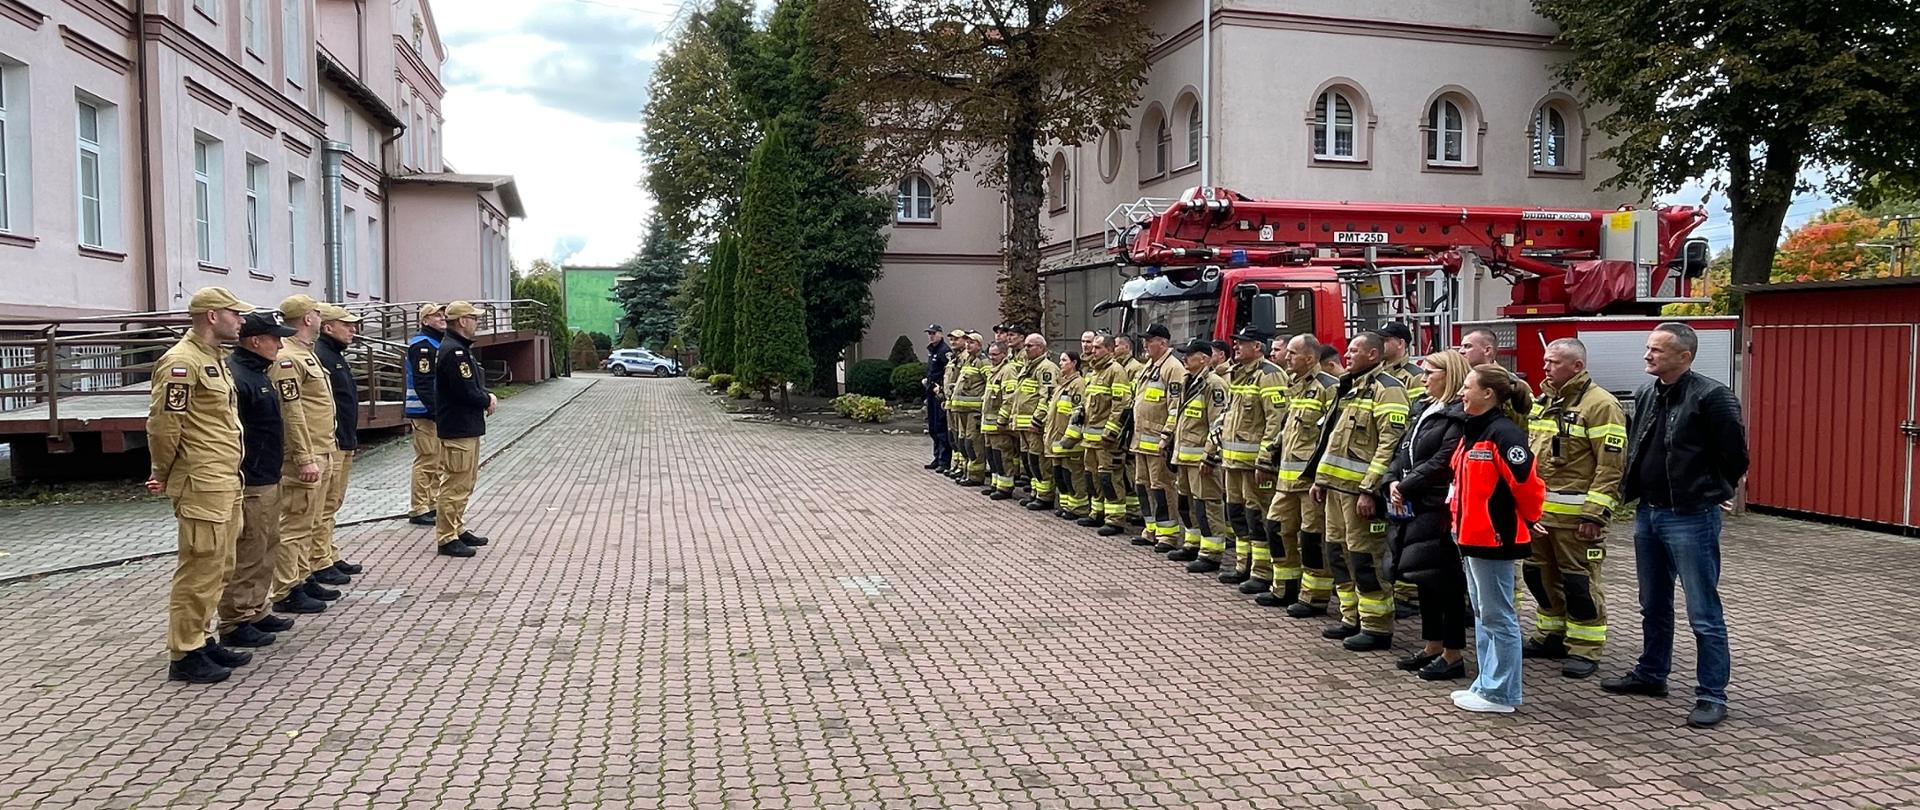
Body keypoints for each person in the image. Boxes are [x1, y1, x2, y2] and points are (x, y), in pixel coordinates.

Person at [1603, 322, 1748, 730]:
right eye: (1648, 348)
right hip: (1649, 512)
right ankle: (1652, 673)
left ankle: (1711, 694)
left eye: (1658, 351)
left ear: (1684, 357)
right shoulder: (1649, 392)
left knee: (1702, 610)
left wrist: (1715, 489)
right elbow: (1641, 445)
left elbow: (1735, 455)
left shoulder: (1712, 396)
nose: (1648, 356)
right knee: (1652, 601)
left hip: (1690, 516)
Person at [147, 287, 255, 683]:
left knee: (221, 566)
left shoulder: (213, 359)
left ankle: (202, 638)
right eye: (234, 313)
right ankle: (184, 652)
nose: (240, 321)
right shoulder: (180, 362)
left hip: (225, 478)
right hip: (201, 481)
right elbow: (164, 425)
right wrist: (162, 471)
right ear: (212, 316)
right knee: (199, 567)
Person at [1522, 338, 1628, 679]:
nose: (1545, 368)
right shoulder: (1543, 401)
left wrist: (1595, 515)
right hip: (1540, 517)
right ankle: (1551, 634)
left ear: (1576, 367)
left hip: (1577, 521)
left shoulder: (1601, 405)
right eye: (1546, 361)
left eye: (1553, 362)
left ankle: (1585, 647)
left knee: (1579, 583)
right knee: (1538, 577)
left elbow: (1610, 467)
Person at [1449, 363, 1546, 713]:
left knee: (1498, 616)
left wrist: (1532, 518)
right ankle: (1486, 684)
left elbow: (1528, 484)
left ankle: (1501, 693)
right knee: (1483, 613)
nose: (1461, 392)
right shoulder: (1474, 431)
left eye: (1467, 386)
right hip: (1471, 537)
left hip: (1494, 538)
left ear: (1487, 394)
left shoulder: (1504, 434)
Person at [1310, 332, 1410, 651]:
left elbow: (1389, 444)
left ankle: (1377, 627)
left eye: (1354, 351)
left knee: (1365, 557)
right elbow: (1331, 439)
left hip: (1360, 493)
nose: (1347, 356)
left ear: (1373, 354)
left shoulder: (1387, 389)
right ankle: (1351, 617)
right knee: (1339, 553)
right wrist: (1320, 478)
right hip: (1336, 488)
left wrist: (1370, 489)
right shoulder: (1350, 386)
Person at [1382, 350, 1470, 680]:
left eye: (1430, 372)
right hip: (1414, 504)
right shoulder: (1423, 407)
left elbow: (1443, 460)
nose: (1423, 378)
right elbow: (1402, 448)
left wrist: (1406, 485)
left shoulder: (1457, 414)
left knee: (1445, 583)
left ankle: (1453, 654)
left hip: (1437, 507)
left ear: (1449, 375)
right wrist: (1392, 479)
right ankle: (1432, 646)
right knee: (1424, 581)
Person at [215, 312, 299, 652]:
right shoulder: (239, 376)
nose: (280, 344)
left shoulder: (258, 373)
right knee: (249, 549)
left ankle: (257, 608)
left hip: (269, 473)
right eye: (274, 338)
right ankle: (236, 619)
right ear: (254, 341)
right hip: (251, 478)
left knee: (267, 546)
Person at [267, 295, 337, 615]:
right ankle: (285, 588)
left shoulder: (306, 353)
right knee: (294, 524)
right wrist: (303, 456)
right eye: (318, 313)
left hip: (323, 447)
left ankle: (303, 576)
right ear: (307, 318)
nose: (321, 317)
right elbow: (291, 412)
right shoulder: (288, 358)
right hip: (304, 454)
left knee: (309, 521)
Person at [1260, 334, 1338, 614]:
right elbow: (1289, 428)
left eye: (1293, 353)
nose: (1287, 357)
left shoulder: (1329, 388)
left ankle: (1314, 597)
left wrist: (1322, 477)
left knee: (1312, 538)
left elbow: (1332, 437)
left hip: (1309, 482)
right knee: (1277, 527)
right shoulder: (1295, 386)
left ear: (1310, 357)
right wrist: (1271, 451)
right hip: (1286, 479)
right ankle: (1284, 587)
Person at [1218, 328, 1286, 590]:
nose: (1235, 346)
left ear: (1257, 346)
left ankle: (1261, 572)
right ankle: (1242, 565)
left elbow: (1275, 421)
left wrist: (1265, 459)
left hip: (1254, 465)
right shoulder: (1239, 374)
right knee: (1237, 515)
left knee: (1256, 516)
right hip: (1233, 462)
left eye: (1241, 343)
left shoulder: (1269, 375)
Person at [434, 301, 499, 558]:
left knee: (465, 481)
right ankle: (447, 536)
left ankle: (457, 527)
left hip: (466, 426)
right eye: (473, 317)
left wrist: (484, 395)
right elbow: (465, 390)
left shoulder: (460, 348)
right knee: (455, 483)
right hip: (457, 427)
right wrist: (487, 399)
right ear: (461, 321)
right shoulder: (454, 352)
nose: (477, 322)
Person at [310, 303, 364, 586]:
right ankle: (318, 561)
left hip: (343, 438)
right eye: (347, 324)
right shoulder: (322, 356)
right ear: (328, 327)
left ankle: (328, 554)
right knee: (324, 505)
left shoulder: (335, 356)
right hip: (332, 441)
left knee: (333, 503)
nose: (352, 329)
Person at [1167, 339, 1229, 573]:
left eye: (1189, 355)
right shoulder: (1187, 381)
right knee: (1186, 503)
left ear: (1203, 358)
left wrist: (1210, 455)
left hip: (1201, 459)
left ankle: (1211, 553)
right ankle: (1192, 543)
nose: (1185, 358)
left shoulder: (1214, 384)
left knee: (1207, 505)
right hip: (1184, 455)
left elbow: (1218, 423)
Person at [1129, 325, 1187, 552]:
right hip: (1141, 441)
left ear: (1163, 343)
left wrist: (1166, 436)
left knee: (1161, 487)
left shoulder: (1173, 368)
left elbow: (1174, 407)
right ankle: (1151, 529)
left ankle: (1168, 535)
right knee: (1143, 486)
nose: (1145, 344)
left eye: (1150, 340)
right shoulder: (1149, 367)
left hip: (1157, 442)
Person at [1077, 333, 1129, 531]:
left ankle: (1115, 519)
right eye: (1094, 347)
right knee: (1093, 477)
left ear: (1109, 349)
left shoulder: (1115, 371)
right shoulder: (1094, 372)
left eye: (1098, 348)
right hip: (1090, 438)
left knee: (1109, 478)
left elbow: (1120, 405)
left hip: (1106, 440)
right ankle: (1096, 512)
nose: (1093, 350)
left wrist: (1111, 433)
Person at [405, 303, 448, 526]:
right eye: (436, 315)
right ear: (424, 320)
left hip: (433, 410)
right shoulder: (422, 345)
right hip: (424, 411)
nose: (442, 318)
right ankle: (418, 507)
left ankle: (430, 503)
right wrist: (435, 409)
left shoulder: (436, 342)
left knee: (438, 460)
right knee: (427, 458)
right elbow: (423, 382)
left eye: (443, 314)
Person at [1012, 334, 1059, 510]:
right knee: (1029, 460)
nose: (1026, 349)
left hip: (1034, 424)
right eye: (1025, 346)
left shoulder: (1046, 368)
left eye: (1030, 346)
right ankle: (1035, 491)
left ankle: (1045, 496)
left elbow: (1047, 397)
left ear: (1040, 347)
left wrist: (1038, 419)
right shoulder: (1028, 367)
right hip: (1023, 423)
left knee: (1040, 460)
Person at [1044, 350, 1091, 521]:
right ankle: (1067, 505)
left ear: (1074, 363)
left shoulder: (1078, 384)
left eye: (1064, 360)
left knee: (1073, 475)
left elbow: (1078, 413)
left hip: (1070, 441)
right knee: (1061, 474)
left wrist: (1070, 438)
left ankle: (1079, 507)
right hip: (1057, 437)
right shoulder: (1061, 384)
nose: (1061, 363)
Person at [1110, 335, 1146, 529]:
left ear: (1126, 347)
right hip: (1123, 428)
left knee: (1130, 471)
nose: (1114, 348)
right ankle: (1132, 508)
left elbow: (1129, 400)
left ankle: (1137, 509)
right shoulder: (1117, 367)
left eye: (1116, 345)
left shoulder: (1135, 369)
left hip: (1129, 427)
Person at [977, 339, 1013, 497]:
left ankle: (1005, 487)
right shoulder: (993, 370)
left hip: (998, 424)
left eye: (995, 354)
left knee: (1001, 455)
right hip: (988, 424)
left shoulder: (1007, 371)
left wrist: (1002, 419)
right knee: (992, 455)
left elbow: (1009, 398)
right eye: (990, 354)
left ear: (1004, 354)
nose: (991, 357)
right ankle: (996, 483)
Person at [922, 325, 951, 471]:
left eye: (933, 333)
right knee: (933, 427)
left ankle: (944, 460)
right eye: (929, 334)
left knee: (940, 427)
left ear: (940, 334)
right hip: (931, 392)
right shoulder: (932, 350)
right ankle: (937, 456)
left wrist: (940, 387)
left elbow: (949, 372)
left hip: (939, 393)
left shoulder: (944, 351)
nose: (931, 336)